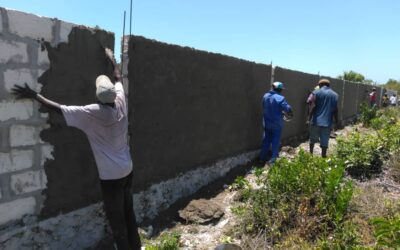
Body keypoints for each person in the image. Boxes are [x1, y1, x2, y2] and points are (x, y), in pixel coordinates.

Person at [12, 48, 141, 250]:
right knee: (129, 214)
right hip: (128, 170)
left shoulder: (91, 114)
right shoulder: (121, 101)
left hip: (111, 178)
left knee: (117, 222)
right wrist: (112, 60)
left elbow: (59, 108)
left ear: (98, 96)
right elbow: (118, 77)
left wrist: (34, 94)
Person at [259, 81, 293, 164]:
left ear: (273, 87)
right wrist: (291, 113)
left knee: (266, 140)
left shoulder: (265, 96)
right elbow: (288, 109)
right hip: (276, 124)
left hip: (267, 123)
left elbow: (264, 106)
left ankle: (261, 158)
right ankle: (273, 160)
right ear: (279, 89)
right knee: (275, 142)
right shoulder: (280, 98)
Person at [307, 79, 339, 158]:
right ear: (329, 85)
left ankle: (310, 154)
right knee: (325, 141)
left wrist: (308, 119)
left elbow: (312, 107)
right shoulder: (335, 95)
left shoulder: (316, 93)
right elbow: (335, 109)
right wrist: (337, 121)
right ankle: (323, 157)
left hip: (316, 121)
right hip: (327, 122)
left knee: (312, 139)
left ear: (320, 85)